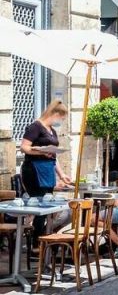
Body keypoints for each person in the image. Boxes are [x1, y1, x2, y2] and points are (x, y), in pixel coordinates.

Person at [20, 100, 73, 242]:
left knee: (48, 204)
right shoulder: (35, 127)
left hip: (48, 170)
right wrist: (41, 153)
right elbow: (24, 147)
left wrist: (62, 175)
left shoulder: (52, 130)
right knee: (40, 204)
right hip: (34, 170)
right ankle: (36, 241)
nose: (61, 121)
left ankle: (43, 237)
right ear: (55, 114)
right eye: (61, 118)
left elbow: (53, 156)